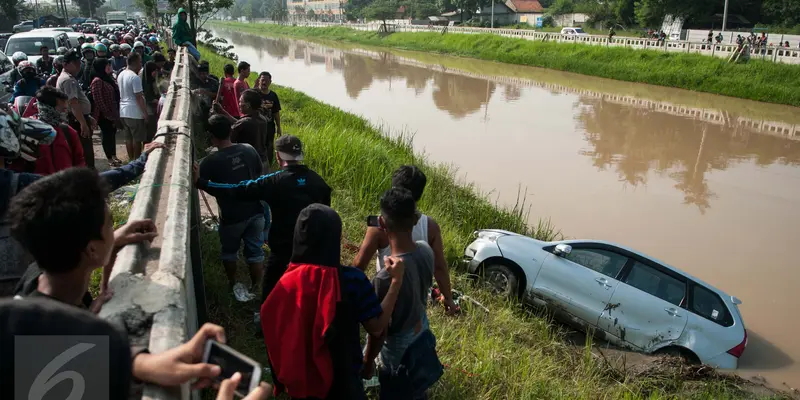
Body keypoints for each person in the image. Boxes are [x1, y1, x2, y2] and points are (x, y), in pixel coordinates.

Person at [262, 204, 406, 400]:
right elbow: (377, 327)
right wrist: (396, 282)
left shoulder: (286, 281)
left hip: (300, 382)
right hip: (344, 382)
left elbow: (271, 324)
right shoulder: (352, 280)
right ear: (334, 239)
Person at [194, 135, 332, 306]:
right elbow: (327, 218)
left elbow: (237, 190)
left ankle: (265, 323)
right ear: (301, 154)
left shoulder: (274, 182)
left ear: (278, 156)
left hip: (282, 249)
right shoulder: (319, 183)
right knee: (306, 292)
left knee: (270, 292)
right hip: (310, 250)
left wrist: (201, 182)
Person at [363, 188, 443, 400]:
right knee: (416, 387)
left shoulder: (384, 279)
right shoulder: (426, 249)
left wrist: (368, 362)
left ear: (381, 223)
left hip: (397, 352)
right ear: (415, 220)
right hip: (421, 331)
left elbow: (379, 331)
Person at [353, 165, 459, 315]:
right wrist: (448, 298)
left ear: (393, 189)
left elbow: (359, 265)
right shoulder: (430, 226)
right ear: (419, 195)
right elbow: (439, 267)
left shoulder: (379, 226)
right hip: (416, 303)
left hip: (385, 298)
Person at [199, 115, 265, 302]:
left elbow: (199, 182)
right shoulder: (249, 149)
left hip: (231, 216)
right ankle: (256, 287)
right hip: (256, 210)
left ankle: (232, 283)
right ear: (230, 130)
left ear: (211, 136)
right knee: (255, 252)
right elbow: (259, 173)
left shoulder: (210, 161)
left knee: (229, 252)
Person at [56, 50, 95, 169]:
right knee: (85, 152)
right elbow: (73, 103)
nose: (78, 65)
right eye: (75, 63)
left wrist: (88, 116)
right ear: (65, 64)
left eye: (79, 62)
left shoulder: (69, 77)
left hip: (78, 117)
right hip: (75, 120)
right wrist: (83, 123)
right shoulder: (68, 80)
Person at [213, 89, 270, 171]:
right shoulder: (262, 119)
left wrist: (216, 119)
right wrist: (222, 111)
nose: (239, 104)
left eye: (240, 101)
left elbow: (227, 138)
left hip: (249, 164)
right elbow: (239, 123)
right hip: (263, 161)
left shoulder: (245, 122)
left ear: (248, 105)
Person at [90, 58, 123, 166]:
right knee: (106, 135)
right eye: (106, 66)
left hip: (113, 112)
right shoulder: (97, 81)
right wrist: (107, 114)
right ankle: (109, 158)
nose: (109, 67)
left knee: (112, 134)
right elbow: (98, 100)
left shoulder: (109, 78)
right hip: (103, 115)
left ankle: (114, 155)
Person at [118, 52, 149, 160]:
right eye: (140, 62)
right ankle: (136, 161)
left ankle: (131, 160)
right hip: (134, 112)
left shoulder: (121, 74)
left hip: (123, 111)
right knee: (137, 139)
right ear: (135, 62)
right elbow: (139, 97)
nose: (141, 64)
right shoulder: (134, 77)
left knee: (128, 138)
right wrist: (145, 114)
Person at [255, 72, 281, 165]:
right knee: (257, 146)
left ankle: (268, 166)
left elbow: (276, 112)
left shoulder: (273, 95)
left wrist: (279, 127)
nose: (264, 83)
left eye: (266, 81)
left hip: (269, 127)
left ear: (270, 82)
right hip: (256, 127)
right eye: (262, 80)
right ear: (259, 81)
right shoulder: (254, 94)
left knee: (269, 147)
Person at [140, 61, 160, 142]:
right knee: (150, 130)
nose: (156, 72)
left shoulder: (151, 80)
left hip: (153, 108)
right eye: (154, 70)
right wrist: (153, 100)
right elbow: (145, 96)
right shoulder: (146, 83)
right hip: (149, 110)